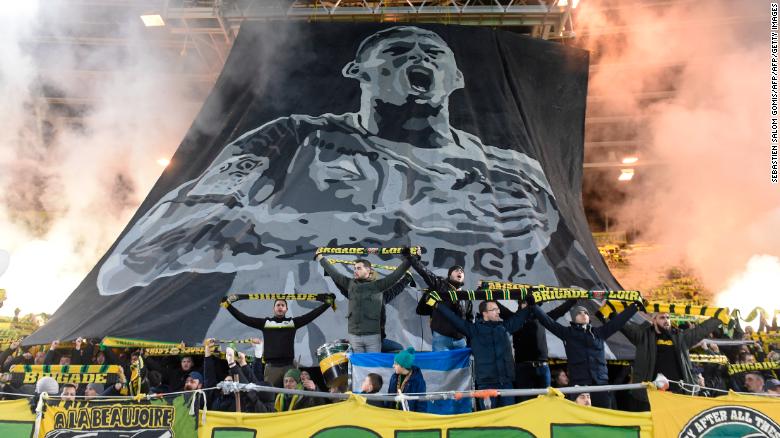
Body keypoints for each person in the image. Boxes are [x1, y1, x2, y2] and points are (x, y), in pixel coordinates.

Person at [430, 297, 532, 409]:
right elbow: (453, 318)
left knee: (508, 418)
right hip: (486, 385)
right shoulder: (473, 330)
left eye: (498, 309)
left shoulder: (504, 327)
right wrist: (436, 305)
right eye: (494, 309)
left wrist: (531, 302)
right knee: (489, 420)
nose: (498, 311)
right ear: (485, 313)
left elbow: (520, 316)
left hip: (507, 384)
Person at [531, 303, 639, 409]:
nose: (583, 315)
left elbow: (617, 322)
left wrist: (634, 307)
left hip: (600, 383)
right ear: (573, 318)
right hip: (579, 384)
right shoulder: (567, 333)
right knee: (582, 418)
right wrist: (533, 305)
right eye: (579, 313)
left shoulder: (599, 332)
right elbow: (548, 322)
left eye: (585, 313)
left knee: (604, 416)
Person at [620, 311, 722, 410]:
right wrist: (611, 313)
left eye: (668, 317)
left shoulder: (681, 337)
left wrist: (719, 318)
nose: (666, 320)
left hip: (678, 395)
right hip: (652, 396)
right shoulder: (643, 336)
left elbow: (701, 330)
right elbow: (624, 325)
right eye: (662, 317)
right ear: (654, 320)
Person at [223, 295, 332, 386]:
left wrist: (327, 304)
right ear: (274, 308)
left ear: (286, 309)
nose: (280, 307)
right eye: (278, 305)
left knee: (293, 395)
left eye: (283, 305)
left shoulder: (292, 323)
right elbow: (244, 318)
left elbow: (311, 315)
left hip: (289, 366)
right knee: (269, 396)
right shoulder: (265, 323)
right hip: (271, 368)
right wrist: (228, 306)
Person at [316, 254, 411, 353]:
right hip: (355, 337)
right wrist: (321, 258)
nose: (355, 271)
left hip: (373, 337)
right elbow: (336, 275)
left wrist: (411, 259)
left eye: (359, 268)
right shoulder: (350, 285)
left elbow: (395, 276)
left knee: (373, 366)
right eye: (355, 268)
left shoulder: (378, 286)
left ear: (368, 270)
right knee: (359, 367)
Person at [498, 299, 576, 396]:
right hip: (523, 368)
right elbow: (499, 308)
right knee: (524, 401)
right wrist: (485, 293)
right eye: (525, 303)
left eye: (531, 304)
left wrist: (573, 299)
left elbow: (560, 311)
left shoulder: (541, 318)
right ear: (520, 305)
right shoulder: (513, 318)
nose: (529, 306)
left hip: (542, 366)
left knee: (546, 400)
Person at [406, 251, 472, 351]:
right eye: (457, 270)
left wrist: (470, 339)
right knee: (441, 366)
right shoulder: (440, 285)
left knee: (463, 367)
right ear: (449, 275)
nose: (460, 272)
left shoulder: (466, 296)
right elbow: (425, 272)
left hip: (461, 341)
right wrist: (413, 259)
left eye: (462, 272)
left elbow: (469, 319)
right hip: (442, 339)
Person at [386, 347, 427, 413]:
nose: (393, 366)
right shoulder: (394, 377)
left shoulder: (417, 381)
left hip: (408, 418)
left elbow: (421, 404)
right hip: (393, 416)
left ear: (403, 366)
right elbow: (389, 399)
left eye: (396, 364)